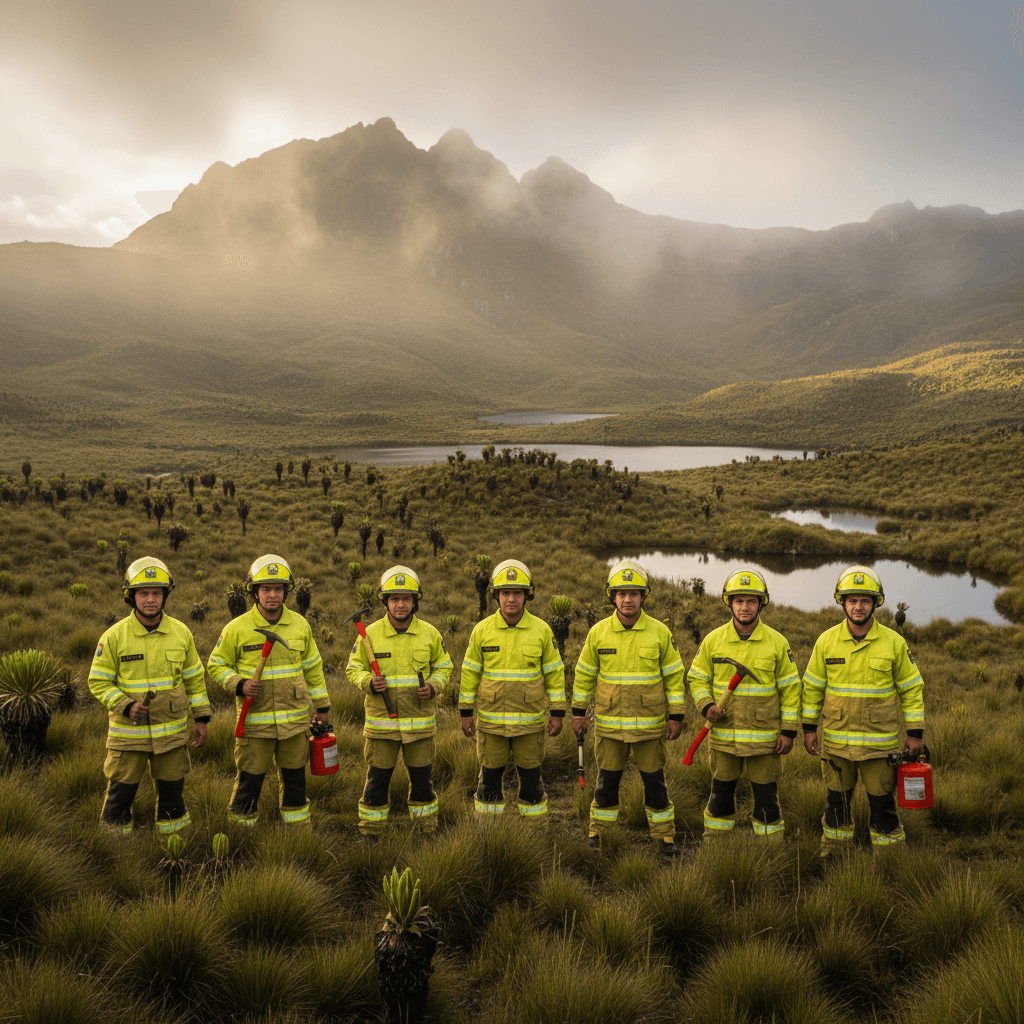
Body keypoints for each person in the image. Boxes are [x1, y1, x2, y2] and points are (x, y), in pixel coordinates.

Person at [802, 565, 925, 854]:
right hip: (836, 745)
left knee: (883, 807)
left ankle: (890, 859)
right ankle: (833, 855)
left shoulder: (894, 643)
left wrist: (915, 734)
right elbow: (812, 690)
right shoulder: (826, 641)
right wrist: (808, 730)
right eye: (852, 600)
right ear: (842, 602)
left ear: (876, 603)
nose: (858, 607)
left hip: (878, 748)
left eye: (865, 601)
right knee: (836, 805)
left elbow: (911, 690)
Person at [88, 557, 211, 834]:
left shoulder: (181, 633)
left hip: (171, 736)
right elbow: (98, 681)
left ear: (165, 595)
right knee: (119, 800)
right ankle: (113, 850)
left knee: (173, 800)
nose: (151, 600)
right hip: (128, 738)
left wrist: (201, 719)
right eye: (143, 593)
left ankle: (174, 847)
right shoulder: (114, 636)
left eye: (157, 593)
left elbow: (194, 680)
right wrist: (125, 705)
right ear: (131, 597)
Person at [571, 560, 686, 855]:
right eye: (621, 593)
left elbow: (674, 678)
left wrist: (676, 716)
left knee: (655, 785)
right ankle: (598, 835)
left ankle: (665, 838)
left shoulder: (660, 633)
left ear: (643, 596)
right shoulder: (598, 633)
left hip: (650, 728)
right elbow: (584, 675)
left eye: (634, 593)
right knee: (606, 784)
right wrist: (578, 713)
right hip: (610, 728)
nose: (627, 599)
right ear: (612, 596)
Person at [207, 555, 329, 826]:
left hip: (294, 724)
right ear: (254, 592)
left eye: (278, 589)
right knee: (248, 784)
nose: (272, 595)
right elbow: (216, 664)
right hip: (254, 724)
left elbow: (313, 668)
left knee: (295, 784)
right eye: (266, 589)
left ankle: (298, 836)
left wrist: (322, 708)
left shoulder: (300, 625)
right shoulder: (237, 629)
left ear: (286, 591)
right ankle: (240, 835)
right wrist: (239, 683)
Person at [687, 569, 800, 842]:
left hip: (765, 741)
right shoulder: (713, 640)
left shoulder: (777, 642)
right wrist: (706, 705)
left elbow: (791, 689)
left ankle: (770, 851)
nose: (745, 607)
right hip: (724, 738)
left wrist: (788, 731)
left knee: (766, 802)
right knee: (720, 797)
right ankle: (716, 847)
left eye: (751, 601)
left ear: (761, 603)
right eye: (739, 601)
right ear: (729, 603)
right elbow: (697, 677)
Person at [346, 565, 453, 837]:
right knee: (376, 783)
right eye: (394, 599)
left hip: (420, 728)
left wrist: (433, 686)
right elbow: (353, 669)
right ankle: (371, 834)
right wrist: (368, 682)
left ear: (415, 600)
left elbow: (444, 667)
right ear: (385, 601)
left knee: (422, 784)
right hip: (381, 727)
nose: (401, 604)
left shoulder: (430, 634)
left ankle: (425, 832)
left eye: (406, 598)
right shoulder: (368, 634)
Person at [459, 559, 565, 818]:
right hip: (491, 724)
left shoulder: (541, 630)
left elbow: (554, 673)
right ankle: (488, 832)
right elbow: (470, 673)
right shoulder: (482, 631)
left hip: (530, 725)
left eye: (517, 593)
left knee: (532, 784)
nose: (511, 599)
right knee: (489, 783)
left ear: (527, 595)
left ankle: (534, 831)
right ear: (495, 595)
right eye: (505, 593)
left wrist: (558, 713)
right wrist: (465, 713)